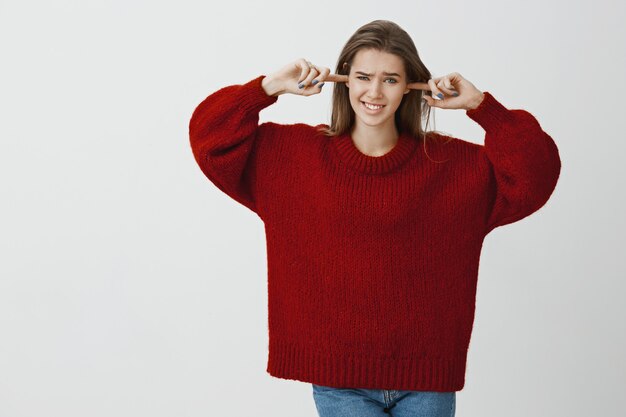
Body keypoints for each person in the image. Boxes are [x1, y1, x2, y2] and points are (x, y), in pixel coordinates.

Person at [188, 19, 561, 417]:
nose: (375, 92)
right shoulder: (291, 157)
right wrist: (267, 87)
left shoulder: (455, 166)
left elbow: (536, 176)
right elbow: (209, 140)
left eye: (391, 79)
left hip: (426, 382)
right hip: (338, 382)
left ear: (411, 87)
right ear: (343, 80)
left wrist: (483, 108)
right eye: (363, 77)